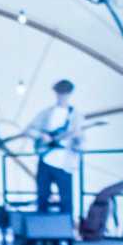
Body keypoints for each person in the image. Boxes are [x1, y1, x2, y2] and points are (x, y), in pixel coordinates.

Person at [29, 78, 82, 216]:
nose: (62, 95)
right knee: (42, 197)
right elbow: (29, 130)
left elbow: (80, 140)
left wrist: (77, 140)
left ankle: (67, 228)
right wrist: (42, 136)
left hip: (64, 163)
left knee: (66, 199)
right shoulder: (46, 113)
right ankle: (41, 227)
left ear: (69, 94)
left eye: (65, 92)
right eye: (60, 92)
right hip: (45, 160)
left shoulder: (75, 115)